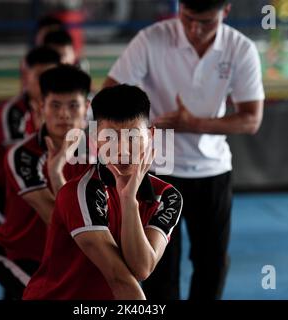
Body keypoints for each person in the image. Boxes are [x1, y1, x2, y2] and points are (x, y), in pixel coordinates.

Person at [103, 0, 265, 300]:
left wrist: (192, 123)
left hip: (212, 170)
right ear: (179, 8)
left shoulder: (240, 48)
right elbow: (109, 98)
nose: (194, 28)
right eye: (188, 18)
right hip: (157, 170)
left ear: (225, 11)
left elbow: (251, 120)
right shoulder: (152, 39)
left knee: (211, 264)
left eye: (206, 22)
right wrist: (139, 132)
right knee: (158, 267)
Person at [23, 84, 183, 300]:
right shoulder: (78, 192)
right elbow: (121, 280)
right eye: (110, 138)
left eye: (133, 137)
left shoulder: (168, 196)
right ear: (95, 138)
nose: (122, 150)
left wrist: (129, 201)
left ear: (151, 134)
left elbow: (143, 266)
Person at [0, 65, 91, 300]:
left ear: (87, 108)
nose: (64, 114)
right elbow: (61, 222)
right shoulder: (22, 155)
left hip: (67, 257)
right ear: (40, 108)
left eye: (73, 105)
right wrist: (55, 173)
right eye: (55, 105)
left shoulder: (99, 152)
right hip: (18, 255)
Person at [0, 46, 61, 229]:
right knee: (11, 238)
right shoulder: (12, 112)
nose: (45, 84)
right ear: (26, 76)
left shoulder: (63, 113)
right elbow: (18, 162)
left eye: (51, 77)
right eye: (39, 77)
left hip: (31, 189)